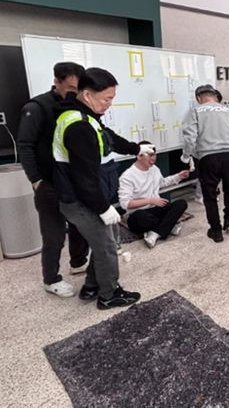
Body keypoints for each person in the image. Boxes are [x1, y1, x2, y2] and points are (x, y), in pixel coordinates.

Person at [53, 67, 153, 309]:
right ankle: (109, 295)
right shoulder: (79, 126)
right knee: (107, 246)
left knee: (101, 245)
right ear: (88, 95)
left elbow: (108, 137)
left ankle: (91, 286)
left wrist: (135, 148)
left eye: (112, 98)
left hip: (83, 196)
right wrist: (102, 208)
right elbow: (84, 178)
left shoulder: (86, 117)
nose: (109, 104)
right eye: (106, 99)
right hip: (80, 200)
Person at [17, 62, 90, 298]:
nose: (75, 93)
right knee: (54, 234)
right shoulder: (37, 107)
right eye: (70, 88)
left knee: (80, 225)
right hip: (48, 182)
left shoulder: (78, 106)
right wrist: (36, 179)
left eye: (79, 89)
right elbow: (25, 145)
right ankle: (51, 279)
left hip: (72, 179)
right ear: (56, 82)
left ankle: (78, 262)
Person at [182, 85, 229, 243]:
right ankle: (228, 219)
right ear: (214, 96)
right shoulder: (227, 111)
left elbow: (189, 137)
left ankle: (216, 231)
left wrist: (187, 155)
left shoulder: (196, 111)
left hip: (208, 157)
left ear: (198, 98)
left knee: (210, 195)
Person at [118, 141, 190, 248]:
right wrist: (150, 200)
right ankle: (169, 226)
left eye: (154, 155)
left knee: (181, 203)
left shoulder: (154, 169)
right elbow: (125, 204)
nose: (153, 159)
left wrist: (178, 176)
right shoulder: (127, 176)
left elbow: (162, 183)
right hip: (137, 213)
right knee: (140, 217)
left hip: (155, 208)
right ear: (139, 156)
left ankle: (155, 233)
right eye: (150, 155)